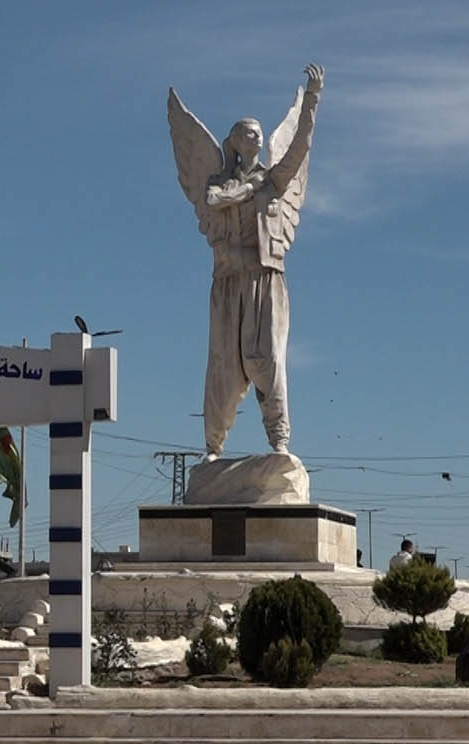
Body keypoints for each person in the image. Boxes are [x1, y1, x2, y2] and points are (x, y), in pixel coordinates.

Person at [168, 65, 324, 459]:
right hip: (228, 282)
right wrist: (247, 186)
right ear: (236, 142)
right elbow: (213, 201)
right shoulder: (219, 181)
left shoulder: (275, 181)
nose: (256, 136)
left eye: (259, 132)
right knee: (222, 367)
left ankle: (280, 442)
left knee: (268, 360)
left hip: (265, 279)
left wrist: (312, 101)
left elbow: (300, 148)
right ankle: (213, 448)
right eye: (248, 132)